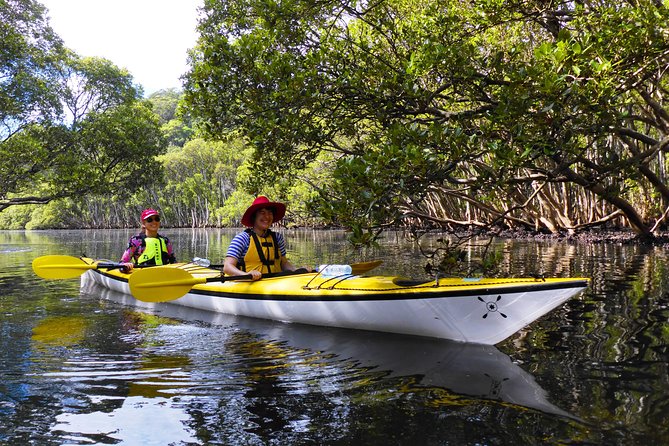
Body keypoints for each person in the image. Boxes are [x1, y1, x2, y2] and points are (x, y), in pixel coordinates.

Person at [223, 196, 311, 280]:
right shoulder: (242, 238)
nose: (267, 217)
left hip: (275, 281)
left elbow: (284, 263)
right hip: (250, 282)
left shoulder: (277, 238)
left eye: (270, 213)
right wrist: (246, 274)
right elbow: (227, 267)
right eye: (262, 213)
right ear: (254, 217)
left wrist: (298, 271)